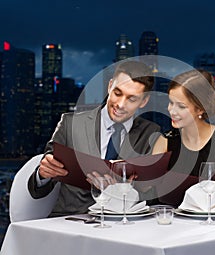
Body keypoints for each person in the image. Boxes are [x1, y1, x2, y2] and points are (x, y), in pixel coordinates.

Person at [28, 60, 161, 217]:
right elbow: (36, 190)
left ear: (144, 101)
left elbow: (152, 196)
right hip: (70, 223)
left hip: (123, 226)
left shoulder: (151, 133)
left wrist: (126, 191)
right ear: (109, 86)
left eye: (132, 99)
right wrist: (42, 175)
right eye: (117, 93)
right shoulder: (70, 124)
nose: (120, 104)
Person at [152, 69, 215, 208]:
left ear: (200, 109)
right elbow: (153, 190)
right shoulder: (165, 141)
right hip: (179, 223)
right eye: (171, 102)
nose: (172, 110)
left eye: (181, 106)